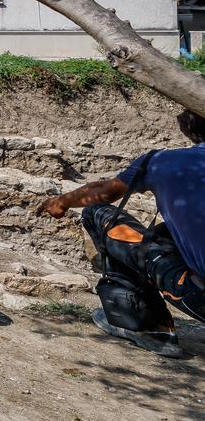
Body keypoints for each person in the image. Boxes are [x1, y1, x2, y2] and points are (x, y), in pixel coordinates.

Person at [38, 109, 205, 359]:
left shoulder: (159, 162)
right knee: (164, 232)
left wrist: (61, 202)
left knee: (100, 215)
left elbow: (103, 193)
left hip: (197, 297)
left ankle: (144, 324)